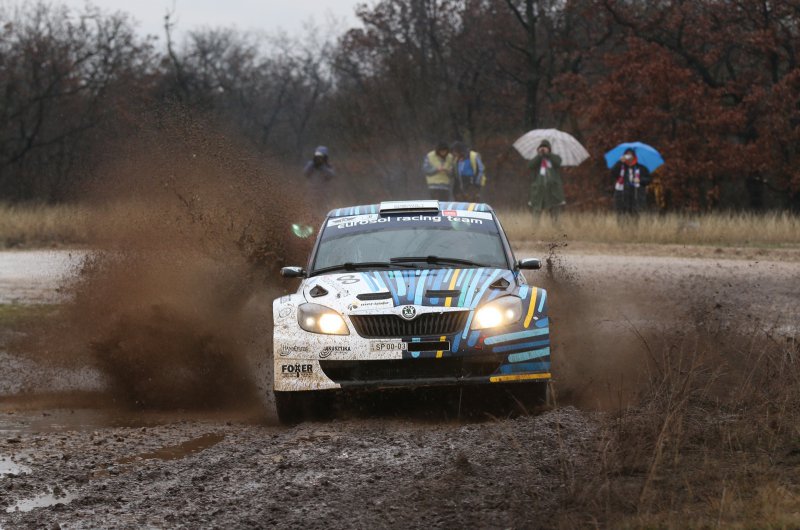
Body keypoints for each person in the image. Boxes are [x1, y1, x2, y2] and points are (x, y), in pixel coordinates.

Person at [528, 139, 565, 220]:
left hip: (553, 190)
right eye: (541, 147)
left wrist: (548, 154)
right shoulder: (537, 159)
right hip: (539, 190)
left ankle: (555, 227)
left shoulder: (554, 158)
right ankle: (534, 228)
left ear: (549, 149)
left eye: (545, 147)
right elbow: (530, 165)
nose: (543, 149)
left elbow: (558, 163)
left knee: (555, 212)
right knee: (536, 211)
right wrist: (539, 156)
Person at [610, 148, 651, 217]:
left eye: (630, 155)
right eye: (627, 155)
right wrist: (620, 162)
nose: (628, 157)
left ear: (634, 156)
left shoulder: (641, 168)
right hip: (622, 196)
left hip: (636, 196)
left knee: (635, 217)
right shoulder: (621, 167)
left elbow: (648, 180)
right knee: (621, 217)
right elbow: (613, 173)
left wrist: (640, 180)